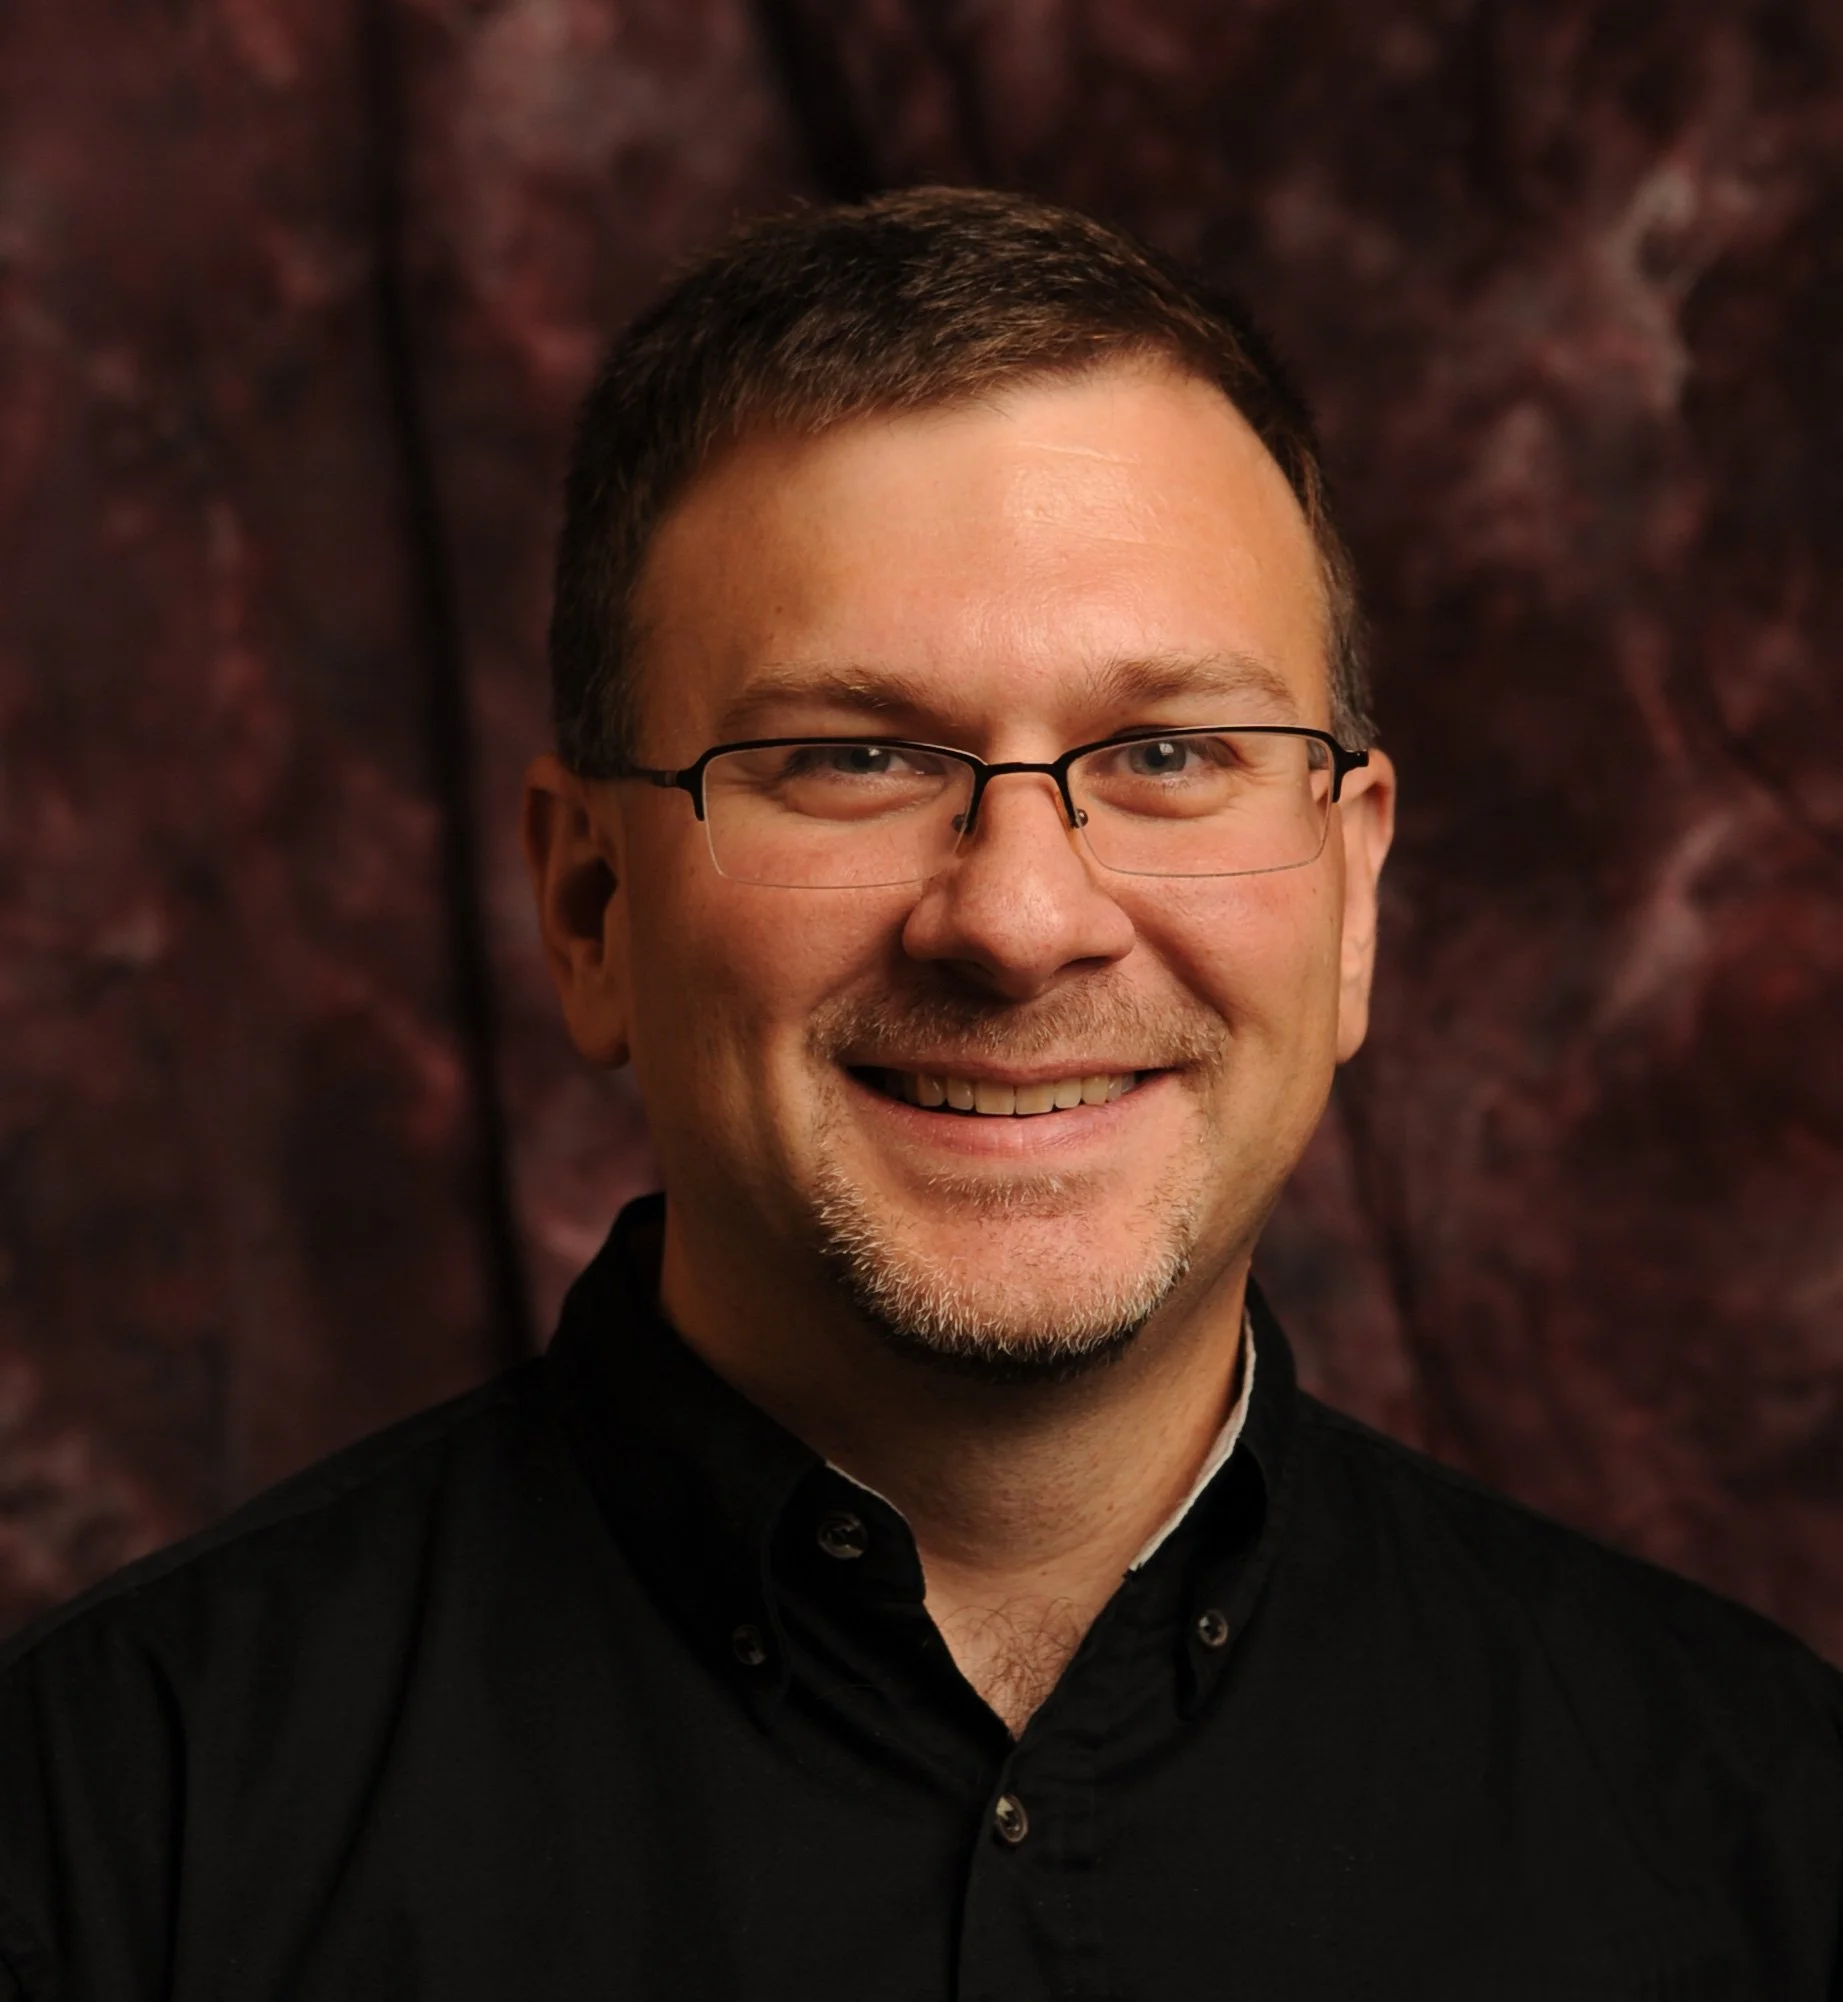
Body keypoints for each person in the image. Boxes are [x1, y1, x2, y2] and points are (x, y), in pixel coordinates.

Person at [1, 188, 1838, 2002]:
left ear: (1350, 898)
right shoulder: (107, 1839)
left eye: (1172, 752)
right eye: (852, 756)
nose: (1020, 918)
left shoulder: (1758, 1829)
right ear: (589, 906)